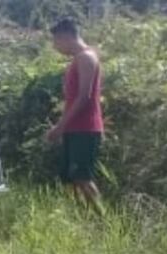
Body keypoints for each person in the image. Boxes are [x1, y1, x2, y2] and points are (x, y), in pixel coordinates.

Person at [46, 17, 104, 208]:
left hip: (85, 128)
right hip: (74, 128)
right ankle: (82, 220)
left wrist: (60, 127)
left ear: (66, 37)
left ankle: (102, 222)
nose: (55, 47)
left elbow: (84, 97)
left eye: (56, 41)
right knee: (70, 178)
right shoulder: (77, 60)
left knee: (82, 177)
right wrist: (64, 127)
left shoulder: (86, 58)